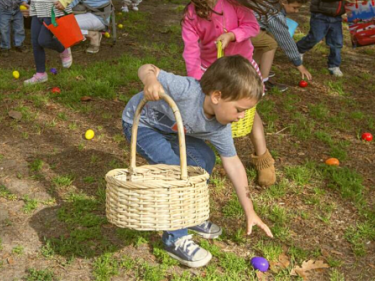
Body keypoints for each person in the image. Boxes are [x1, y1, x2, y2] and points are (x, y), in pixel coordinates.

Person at [122, 55, 273, 268]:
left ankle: (190, 213)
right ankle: (175, 238)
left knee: (205, 158)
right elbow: (146, 67)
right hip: (142, 126)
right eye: (239, 109)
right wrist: (150, 81)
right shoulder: (187, 90)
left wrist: (250, 210)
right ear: (216, 96)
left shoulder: (220, 127)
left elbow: (234, 165)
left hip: (175, 132)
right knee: (176, 170)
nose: (241, 117)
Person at [182, 0, 276, 187]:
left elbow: (252, 27)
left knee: (249, 113)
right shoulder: (191, 14)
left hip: (241, 68)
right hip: (211, 70)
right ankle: (196, 159)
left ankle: (263, 157)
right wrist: (198, 81)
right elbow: (191, 51)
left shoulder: (234, 4)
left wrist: (233, 35)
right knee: (205, 112)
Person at [254, 0, 312, 86]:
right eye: (295, 7)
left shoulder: (272, 4)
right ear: (284, 2)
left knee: (268, 39)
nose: (296, 11)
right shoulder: (275, 15)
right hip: (244, 28)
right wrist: (299, 64)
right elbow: (285, 40)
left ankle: (251, 70)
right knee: (270, 44)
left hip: (246, 26)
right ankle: (263, 82)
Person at [21, 0, 74, 85]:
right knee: (35, 43)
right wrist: (25, 3)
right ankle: (40, 74)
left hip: (53, 10)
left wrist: (64, 1)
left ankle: (63, 48)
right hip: (36, 11)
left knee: (43, 40)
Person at [296, 0, 346, 77]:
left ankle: (334, 65)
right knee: (315, 37)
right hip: (320, 15)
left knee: (337, 42)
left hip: (336, 17)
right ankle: (299, 49)